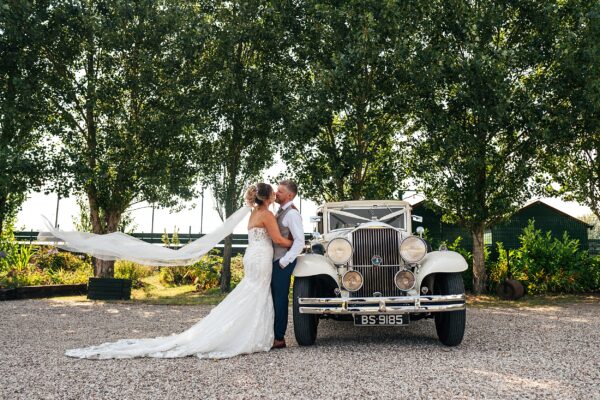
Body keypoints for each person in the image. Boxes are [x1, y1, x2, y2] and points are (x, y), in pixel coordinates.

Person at [64, 183, 293, 359]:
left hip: (252, 256)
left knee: (251, 292)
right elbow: (278, 240)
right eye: (274, 193)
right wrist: (296, 242)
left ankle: (250, 332)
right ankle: (248, 335)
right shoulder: (267, 215)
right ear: (268, 197)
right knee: (257, 293)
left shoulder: (253, 214)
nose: (276, 195)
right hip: (261, 257)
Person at [271, 180, 304, 349]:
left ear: (290, 195)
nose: (276, 193)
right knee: (274, 298)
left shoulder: (292, 214)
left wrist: (284, 262)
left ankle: (279, 338)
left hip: (282, 262)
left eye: (280, 191)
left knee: (280, 299)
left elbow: (300, 241)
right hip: (276, 260)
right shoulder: (280, 211)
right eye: (277, 190)